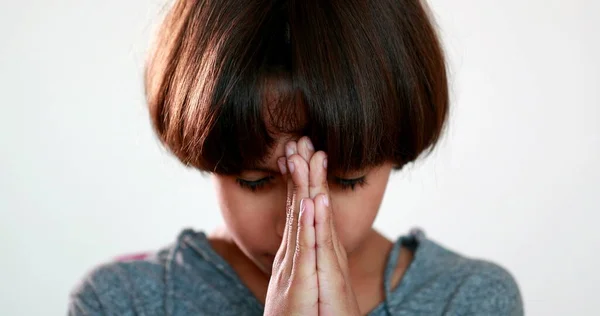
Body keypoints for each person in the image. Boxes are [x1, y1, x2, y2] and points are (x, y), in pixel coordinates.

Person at [69, 0, 523, 315]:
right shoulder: (122, 302)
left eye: (345, 181)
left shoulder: (469, 300)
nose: (298, 223)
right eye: (255, 181)